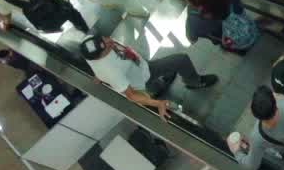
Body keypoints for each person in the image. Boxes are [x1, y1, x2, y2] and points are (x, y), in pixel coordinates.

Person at [80, 35, 217, 119]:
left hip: (138, 66)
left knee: (154, 83)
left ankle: (159, 87)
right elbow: (131, 95)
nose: (109, 40)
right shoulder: (110, 71)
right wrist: (158, 104)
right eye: (106, 46)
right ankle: (193, 82)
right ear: (100, 56)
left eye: (104, 38)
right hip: (142, 76)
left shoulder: (88, 45)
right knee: (181, 60)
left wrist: (98, 75)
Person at [184, 0, 259, 53]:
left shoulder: (203, 17)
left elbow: (192, 38)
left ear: (201, 7)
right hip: (251, 29)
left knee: (227, 43)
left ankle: (242, 50)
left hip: (238, 43)